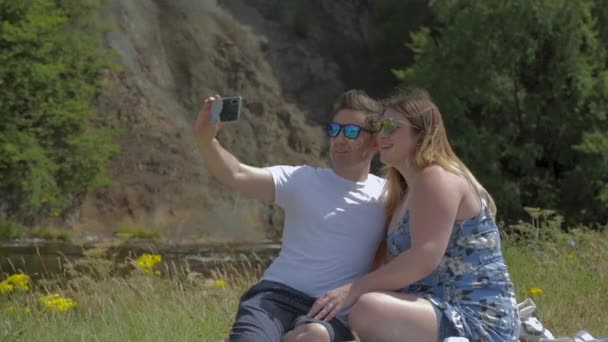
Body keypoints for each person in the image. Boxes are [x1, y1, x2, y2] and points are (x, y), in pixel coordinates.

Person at [307, 88, 520, 342]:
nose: (382, 134)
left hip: (475, 317)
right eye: (380, 126)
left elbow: (424, 257)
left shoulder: (436, 177)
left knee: (368, 309)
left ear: (421, 133)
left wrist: (354, 289)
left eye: (391, 126)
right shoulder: (404, 192)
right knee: (361, 308)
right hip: (434, 307)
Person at [193, 90, 387, 342]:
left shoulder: (389, 195)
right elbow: (236, 174)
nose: (339, 139)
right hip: (275, 296)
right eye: (334, 129)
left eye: (351, 132)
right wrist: (206, 141)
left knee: (314, 336)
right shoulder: (301, 180)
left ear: (375, 143)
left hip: (331, 309)